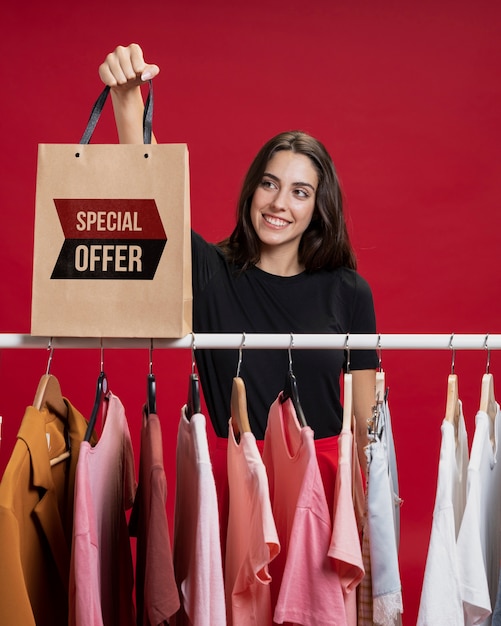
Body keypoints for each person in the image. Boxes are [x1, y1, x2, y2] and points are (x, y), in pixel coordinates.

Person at [98, 43, 379, 476]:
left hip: (326, 483)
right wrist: (127, 99)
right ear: (252, 190)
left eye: (299, 192)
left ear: (318, 207)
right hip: (240, 477)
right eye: (269, 184)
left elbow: (366, 429)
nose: (279, 203)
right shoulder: (212, 274)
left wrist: (366, 520)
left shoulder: (349, 291)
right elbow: (157, 198)